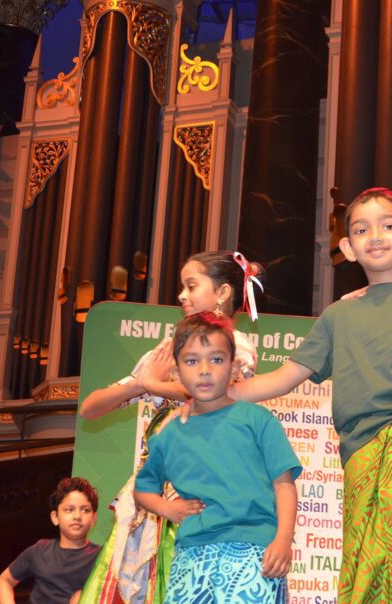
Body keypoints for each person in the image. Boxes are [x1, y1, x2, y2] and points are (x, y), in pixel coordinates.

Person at [226, 187, 392, 602]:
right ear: (347, 248)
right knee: (370, 571)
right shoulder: (338, 315)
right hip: (363, 455)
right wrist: (215, 391)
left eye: (388, 226)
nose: (375, 236)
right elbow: (282, 378)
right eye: (361, 229)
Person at [79, 251, 263, 604]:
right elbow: (90, 409)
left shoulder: (236, 347)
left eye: (192, 285)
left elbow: (213, 395)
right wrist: (139, 384)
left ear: (223, 292)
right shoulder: (164, 352)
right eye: (182, 287)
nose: (181, 295)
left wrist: (155, 384)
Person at [134, 311, 301, 603]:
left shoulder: (257, 419)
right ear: (176, 373)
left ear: (234, 366)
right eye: (191, 361)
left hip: (254, 551)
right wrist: (169, 510)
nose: (204, 370)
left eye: (216, 359)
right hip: (191, 555)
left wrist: (283, 539)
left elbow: (284, 484)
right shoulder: (171, 433)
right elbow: (143, 488)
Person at [0, 477, 101, 604]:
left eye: (85, 510)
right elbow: (3, 581)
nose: (77, 516)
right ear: (55, 517)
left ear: (93, 519)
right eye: (69, 509)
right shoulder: (40, 550)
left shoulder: (101, 558)